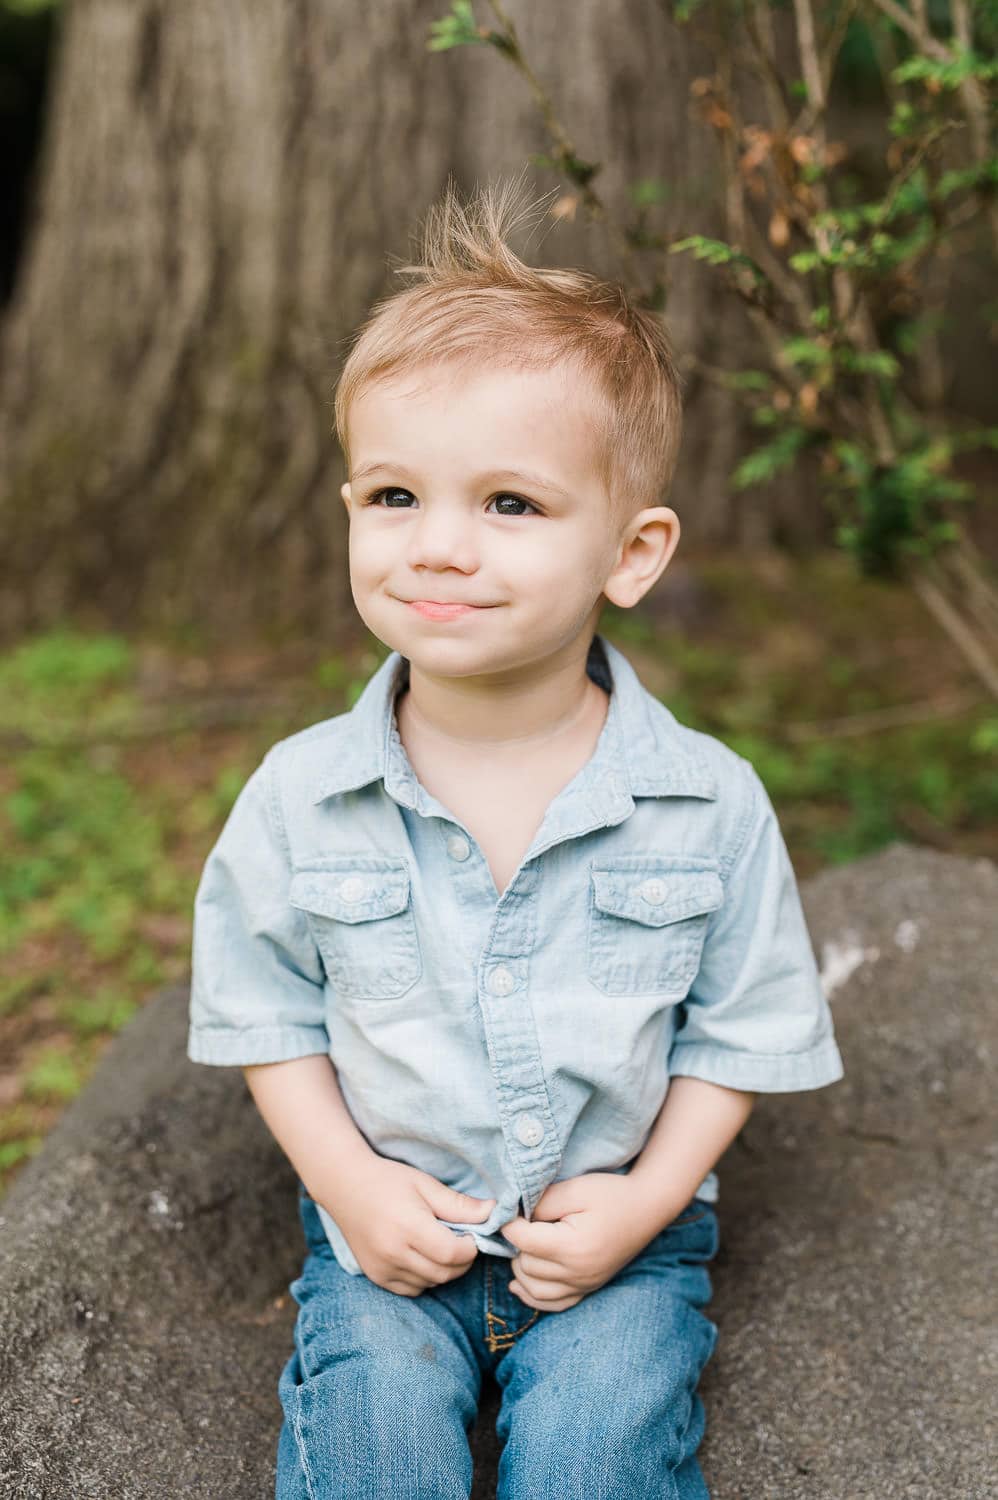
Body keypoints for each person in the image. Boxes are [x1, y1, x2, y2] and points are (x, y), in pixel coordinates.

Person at [187, 177, 844, 1499]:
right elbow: (265, 1009)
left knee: (598, 1454)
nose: (437, 547)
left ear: (632, 553)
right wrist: (349, 1187)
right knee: (373, 1445)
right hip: (391, 1237)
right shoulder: (303, 793)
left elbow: (739, 1030)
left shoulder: (704, 802)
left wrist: (646, 1201)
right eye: (393, 495)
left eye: (509, 505)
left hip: (611, 1248)